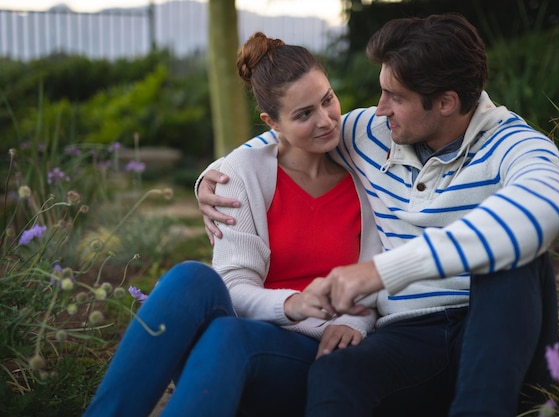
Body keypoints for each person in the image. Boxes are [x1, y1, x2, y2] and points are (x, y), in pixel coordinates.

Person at [196, 13, 559, 417]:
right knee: (335, 374)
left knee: (514, 254)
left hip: (496, 332)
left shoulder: (514, 145)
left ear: (446, 102)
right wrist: (215, 175)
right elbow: (290, 132)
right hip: (406, 337)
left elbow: (545, 206)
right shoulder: (371, 132)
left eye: (394, 96)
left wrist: (383, 271)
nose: (379, 109)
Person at [84, 32, 380, 417]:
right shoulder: (242, 173)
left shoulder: (365, 176)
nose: (325, 120)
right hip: (238, 341)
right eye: (304, 114)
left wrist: (359, 320)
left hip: (311, 354)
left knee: (228, 335)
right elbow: (234, 287)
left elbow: (380, 273)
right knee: (191, 278)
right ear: (271, 122)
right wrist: (292, 303)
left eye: (327, 100)